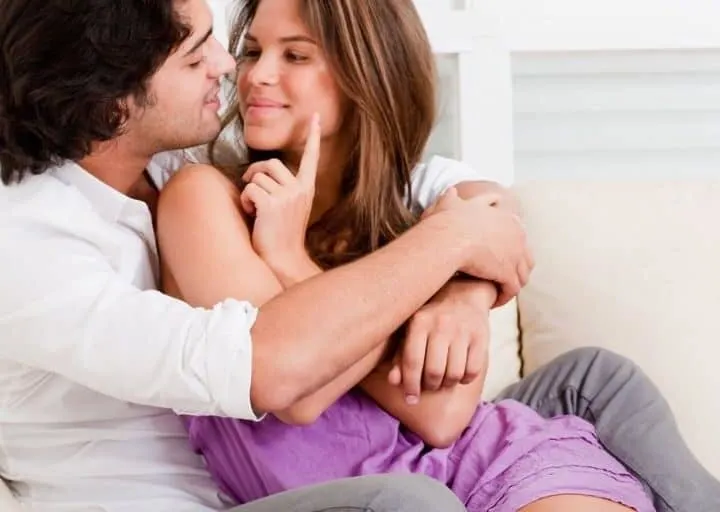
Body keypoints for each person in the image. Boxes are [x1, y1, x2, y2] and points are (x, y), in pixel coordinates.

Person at [157, 0, 720, 511]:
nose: (257, 74)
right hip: (390, 495)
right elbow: (291, 387)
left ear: (365, 75)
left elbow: (443, 416)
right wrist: (439, 261)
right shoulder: (205, 198)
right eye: (253, 50)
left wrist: (294, 262)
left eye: (296, 55)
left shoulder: (408, 215)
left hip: (486, 464)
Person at [0, 0, 532, 510]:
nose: (228, 66)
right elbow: (276, 371)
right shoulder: (29, 246)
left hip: (262, 491)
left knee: (587, 383)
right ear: (111, 102)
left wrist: (460, 292)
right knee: (405, 503)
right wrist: (450, 243)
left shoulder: (167, 161)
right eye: (195, 55)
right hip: (155, 503)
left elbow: (459, 192)